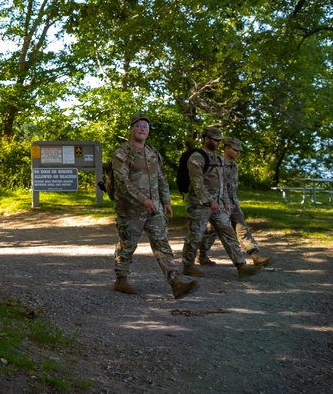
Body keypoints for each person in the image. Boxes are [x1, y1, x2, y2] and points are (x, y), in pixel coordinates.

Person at [110, 113, 198, 298]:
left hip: (154, 208)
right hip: (131, 209)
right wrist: (143, 199)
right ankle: (121, 279)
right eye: (139, 126)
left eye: (146, 127)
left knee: (162, 244)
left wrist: (166, 201)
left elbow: (161, 178)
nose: (142, 129)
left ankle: (176, 282)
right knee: (127, 245)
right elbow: (122, 181)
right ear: (131, 129)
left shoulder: (152, 152)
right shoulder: (122, 152)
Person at [181, 127, 262, 279]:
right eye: (215, 140)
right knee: (195, 236)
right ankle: (188, 265)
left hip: (218, 205)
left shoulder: (218, 159)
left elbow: (223, 184)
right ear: (206, 139)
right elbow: (197, 183)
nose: (218, 142)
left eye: (219, 140)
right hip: (199, 205)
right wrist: (209, 201)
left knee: (229, 233)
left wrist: (225, 201)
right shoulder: (197, 157)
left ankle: (241, 266)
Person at [197, 137, 273, 267]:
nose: (238, 153)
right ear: (226, 148)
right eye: (235, 150)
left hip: (232, 202)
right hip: (219, 202)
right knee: (212, 231)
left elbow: (232, 187)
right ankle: (202, 254)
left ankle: (255, 256)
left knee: (242, 227)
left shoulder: (234, 165)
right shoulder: (217, 162)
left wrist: (232, 202)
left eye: (239, 151)